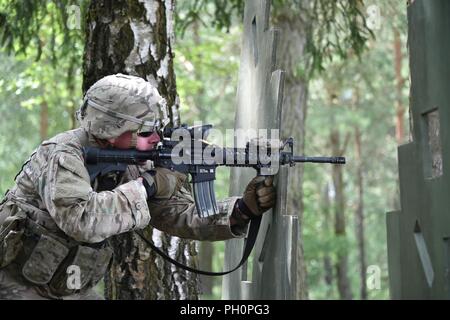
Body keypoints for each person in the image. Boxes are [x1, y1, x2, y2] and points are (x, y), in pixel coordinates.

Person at [0, 74, 276, 300]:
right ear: (110, 130)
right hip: (14, 282)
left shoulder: (136, 158)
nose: (155, 138)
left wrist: (240, 210)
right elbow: (81, 220)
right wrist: (148, 185)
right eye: (144, 132)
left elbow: (175, 215)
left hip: (66, 286)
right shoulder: (63, 155)